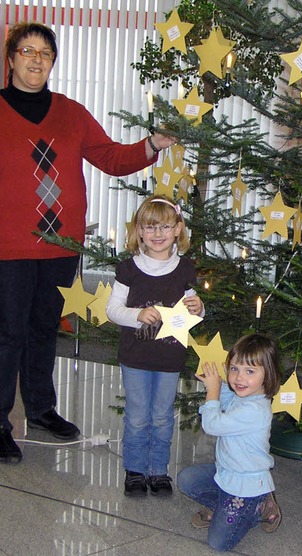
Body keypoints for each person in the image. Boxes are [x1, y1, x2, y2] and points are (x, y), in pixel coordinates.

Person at [0, 21, 176, 464]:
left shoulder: (71, 112)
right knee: (7, 334)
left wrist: (151, 144)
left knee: (44, 329)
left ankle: (40, 409)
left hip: (61, 245)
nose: (37, 59)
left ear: (53, 62)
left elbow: (111, 158)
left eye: (45, 53)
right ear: (11, 58)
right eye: (28, 51)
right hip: (8, 247)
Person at [106, 195, 204, 496]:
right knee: (137, 416)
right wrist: (137, 315)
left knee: (162, 416)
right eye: (150, 227)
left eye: (165, 226)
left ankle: (158, 471)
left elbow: (193, 312)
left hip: (170, 358)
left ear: (177, 229)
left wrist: (199, 308)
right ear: (139, 231)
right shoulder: (129, 269)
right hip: (135, 357)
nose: (158, 234)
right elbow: (113, 310)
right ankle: (135, 471)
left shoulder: (185, 268)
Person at [177, 333, 282, 552]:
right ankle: (226, 507)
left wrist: (213, 390)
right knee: (186, 479)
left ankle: (258, 507)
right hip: (226, 473)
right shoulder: (244, 395)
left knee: (218, 543)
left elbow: (212, 425)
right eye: (234, 369)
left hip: (245, 486)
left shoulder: (255, 410)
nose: (239, 378)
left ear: (268, 374)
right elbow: (226, 398)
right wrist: (214, 382)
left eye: (250, 371)